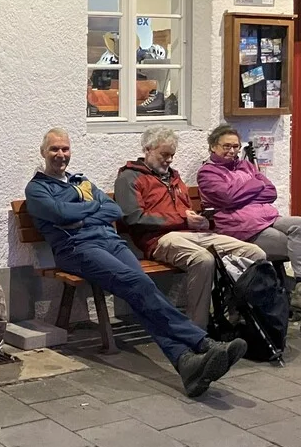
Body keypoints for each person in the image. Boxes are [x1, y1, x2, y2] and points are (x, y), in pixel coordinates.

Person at [25, 128, 247, 398]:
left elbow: (114, 210)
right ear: (43, 152)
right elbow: (60, 213)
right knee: (139, 283)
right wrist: (91, 210)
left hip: (111, 244)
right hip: (77, 249)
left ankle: (186, 364)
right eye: (54, 150)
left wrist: (82, 215)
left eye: (65, 149)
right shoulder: (37, 188)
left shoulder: (80, 180)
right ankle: (201, 341)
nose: (60, 155)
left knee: (139, 290)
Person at [196, 123, 301, 339]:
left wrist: (246, 189)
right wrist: (254, 185)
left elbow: (270, 192)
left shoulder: (245, 166)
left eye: (235, 147)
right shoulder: (207, 173)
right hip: (241, 229)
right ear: (213, 147)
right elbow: (228, 198)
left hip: (267, 218)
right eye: (226, 146)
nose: (231, 151)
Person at [114, 127, 267, 329]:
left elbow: (187, 212)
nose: (169, 160)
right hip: (159, 240)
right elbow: (133, 218)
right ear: (148, 150)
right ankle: (198, 329)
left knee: (254, 253)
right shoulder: (130, 177)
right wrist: (182, 220)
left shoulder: (174, 178)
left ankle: (238, 314)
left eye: (172, 155)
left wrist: (205, 222)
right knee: (203, 260)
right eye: (164, 155)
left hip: (193, 234)